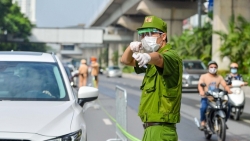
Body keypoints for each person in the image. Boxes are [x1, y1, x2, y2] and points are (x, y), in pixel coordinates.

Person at [120, 15, 182, 141]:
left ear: (163, 36)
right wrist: (131, 47)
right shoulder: (151, 64)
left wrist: (148, 57)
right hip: (151, 130)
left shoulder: (171, 56)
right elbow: (125, 61)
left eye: (150, 34)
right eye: (143, 35)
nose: (145, 38)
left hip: (161, 130)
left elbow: (159, 58)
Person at [198, 61, 232, 130]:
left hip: (217, 98)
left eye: (215, 67)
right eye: (211, 67)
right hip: (207, 97)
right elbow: (200, 85)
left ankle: (223, 121)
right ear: (208, 68)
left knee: (228, 106)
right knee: (203, 108)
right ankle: (203, 122)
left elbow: (225, 85)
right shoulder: (203, 76)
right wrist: (201, 91)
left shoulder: (219, 77)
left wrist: (228, 90)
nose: (213, 68)